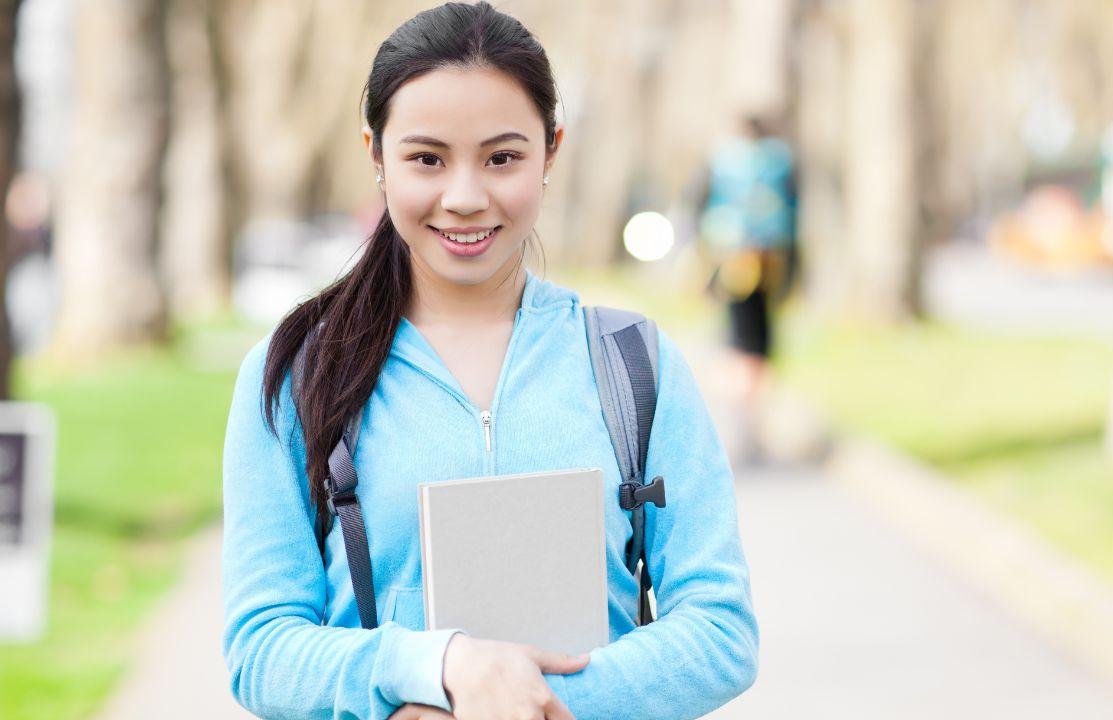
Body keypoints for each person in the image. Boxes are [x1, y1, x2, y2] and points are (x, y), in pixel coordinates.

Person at [220, 4, 758, 720]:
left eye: (502, 157)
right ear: (376, 155)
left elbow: (721, 633)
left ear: (551, 151)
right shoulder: (296, 372)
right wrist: (433, 669)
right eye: (426, 158)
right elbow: (260, 648)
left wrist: (514, 703)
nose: (465, 198)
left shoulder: (635, 364)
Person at [697, 115, 798, 459]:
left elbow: (701, 209)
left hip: (730, 261)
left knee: (734, 338)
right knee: (758, 344)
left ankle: (736, 417)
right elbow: (793, 215)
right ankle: (748, 417)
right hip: (769, 262)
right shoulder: (780, 164)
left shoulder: (723, 162)